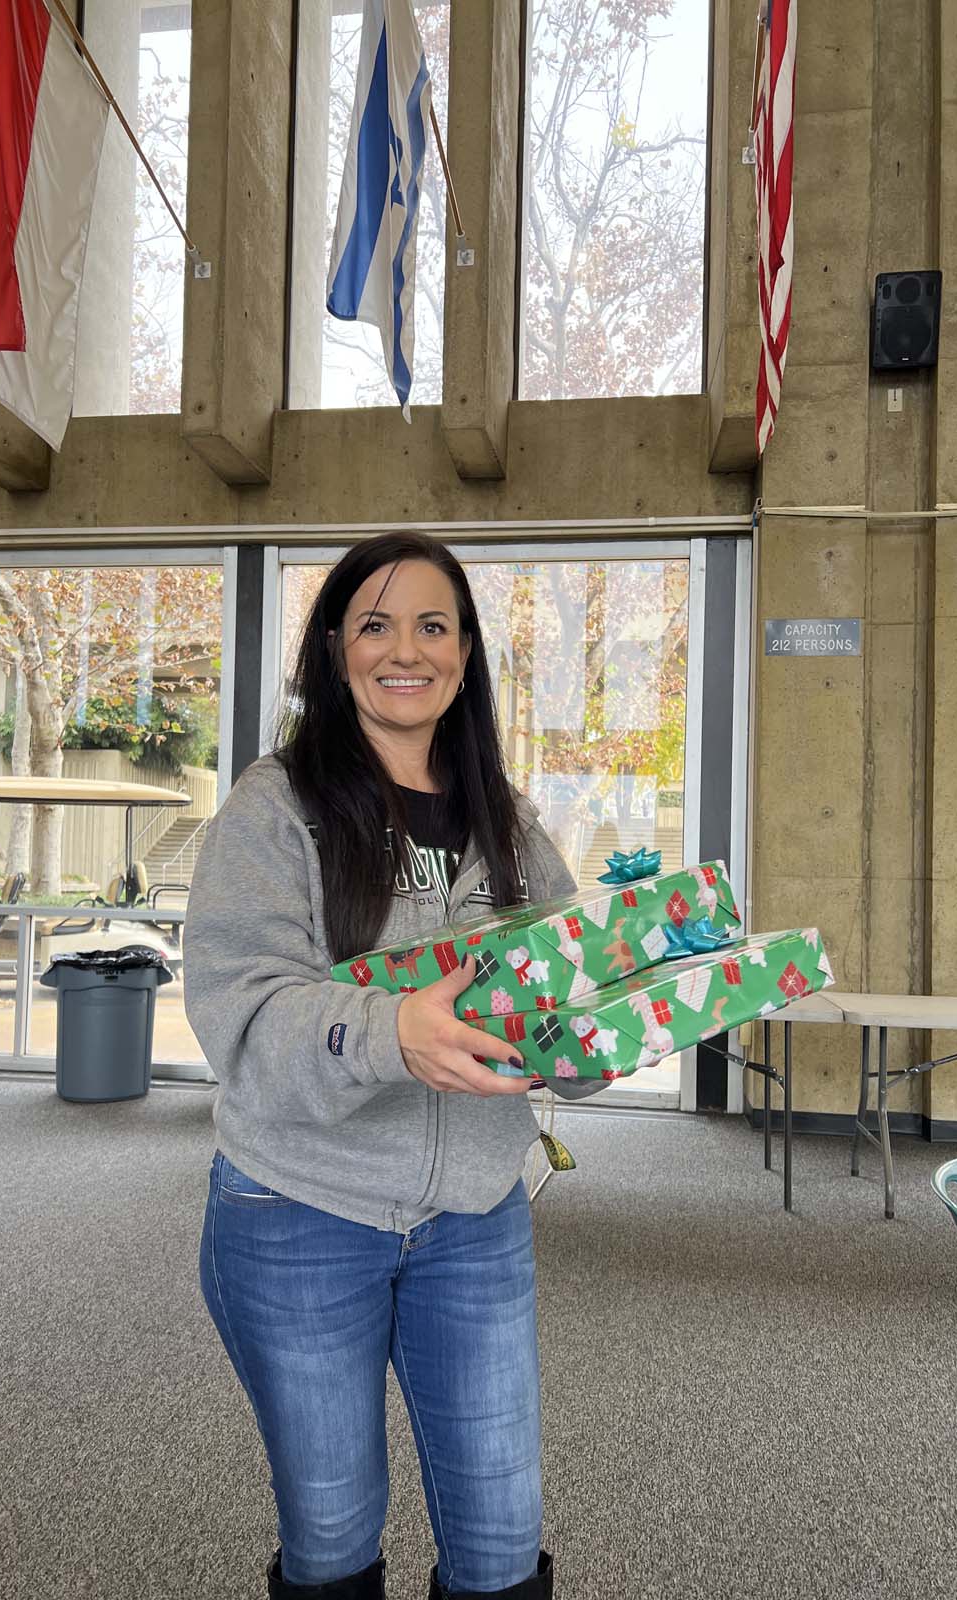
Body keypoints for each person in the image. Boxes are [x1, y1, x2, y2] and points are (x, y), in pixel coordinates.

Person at [185, 533, 598, 1600]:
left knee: (503, 1538)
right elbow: (241, 1016)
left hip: (476, 1213)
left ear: (464, 654)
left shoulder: (506, 823)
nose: (404, 648)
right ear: (334, 648)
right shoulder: (274, 808)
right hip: (298, 1212)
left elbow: (568, 996)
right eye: (374, 623)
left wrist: (629, 1015)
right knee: (332, 1533)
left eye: (432, 625)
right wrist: (389, 1032)